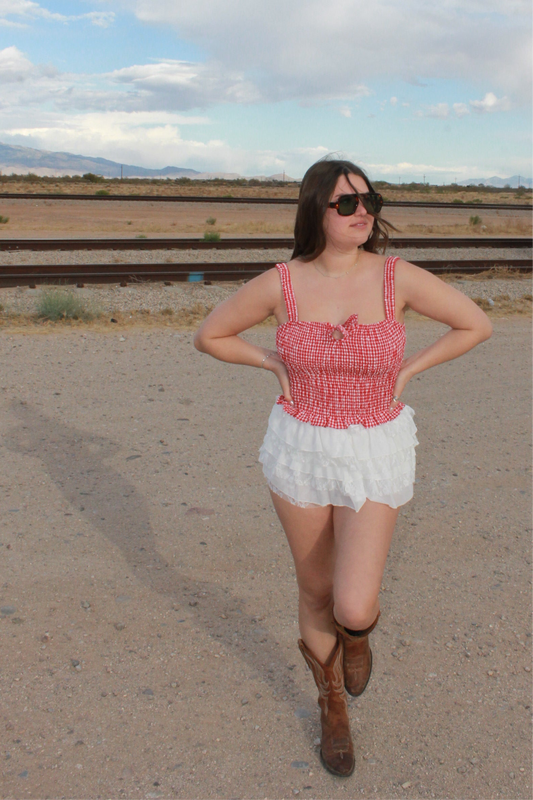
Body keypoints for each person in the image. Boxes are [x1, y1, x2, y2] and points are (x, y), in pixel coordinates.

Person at [193, 157, 492, 778]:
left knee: (353, 605)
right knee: (315, 590)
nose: (363, 213)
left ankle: (356, 637)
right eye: (347, 203)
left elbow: (475, 324)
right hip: (301, 447)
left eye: (369, 200)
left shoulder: (396, 276)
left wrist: (408, 370)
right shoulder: (282, 283)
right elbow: (211, 335)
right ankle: (332, 706)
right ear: (316, 211)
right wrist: (272, 362)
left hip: (374, 446)